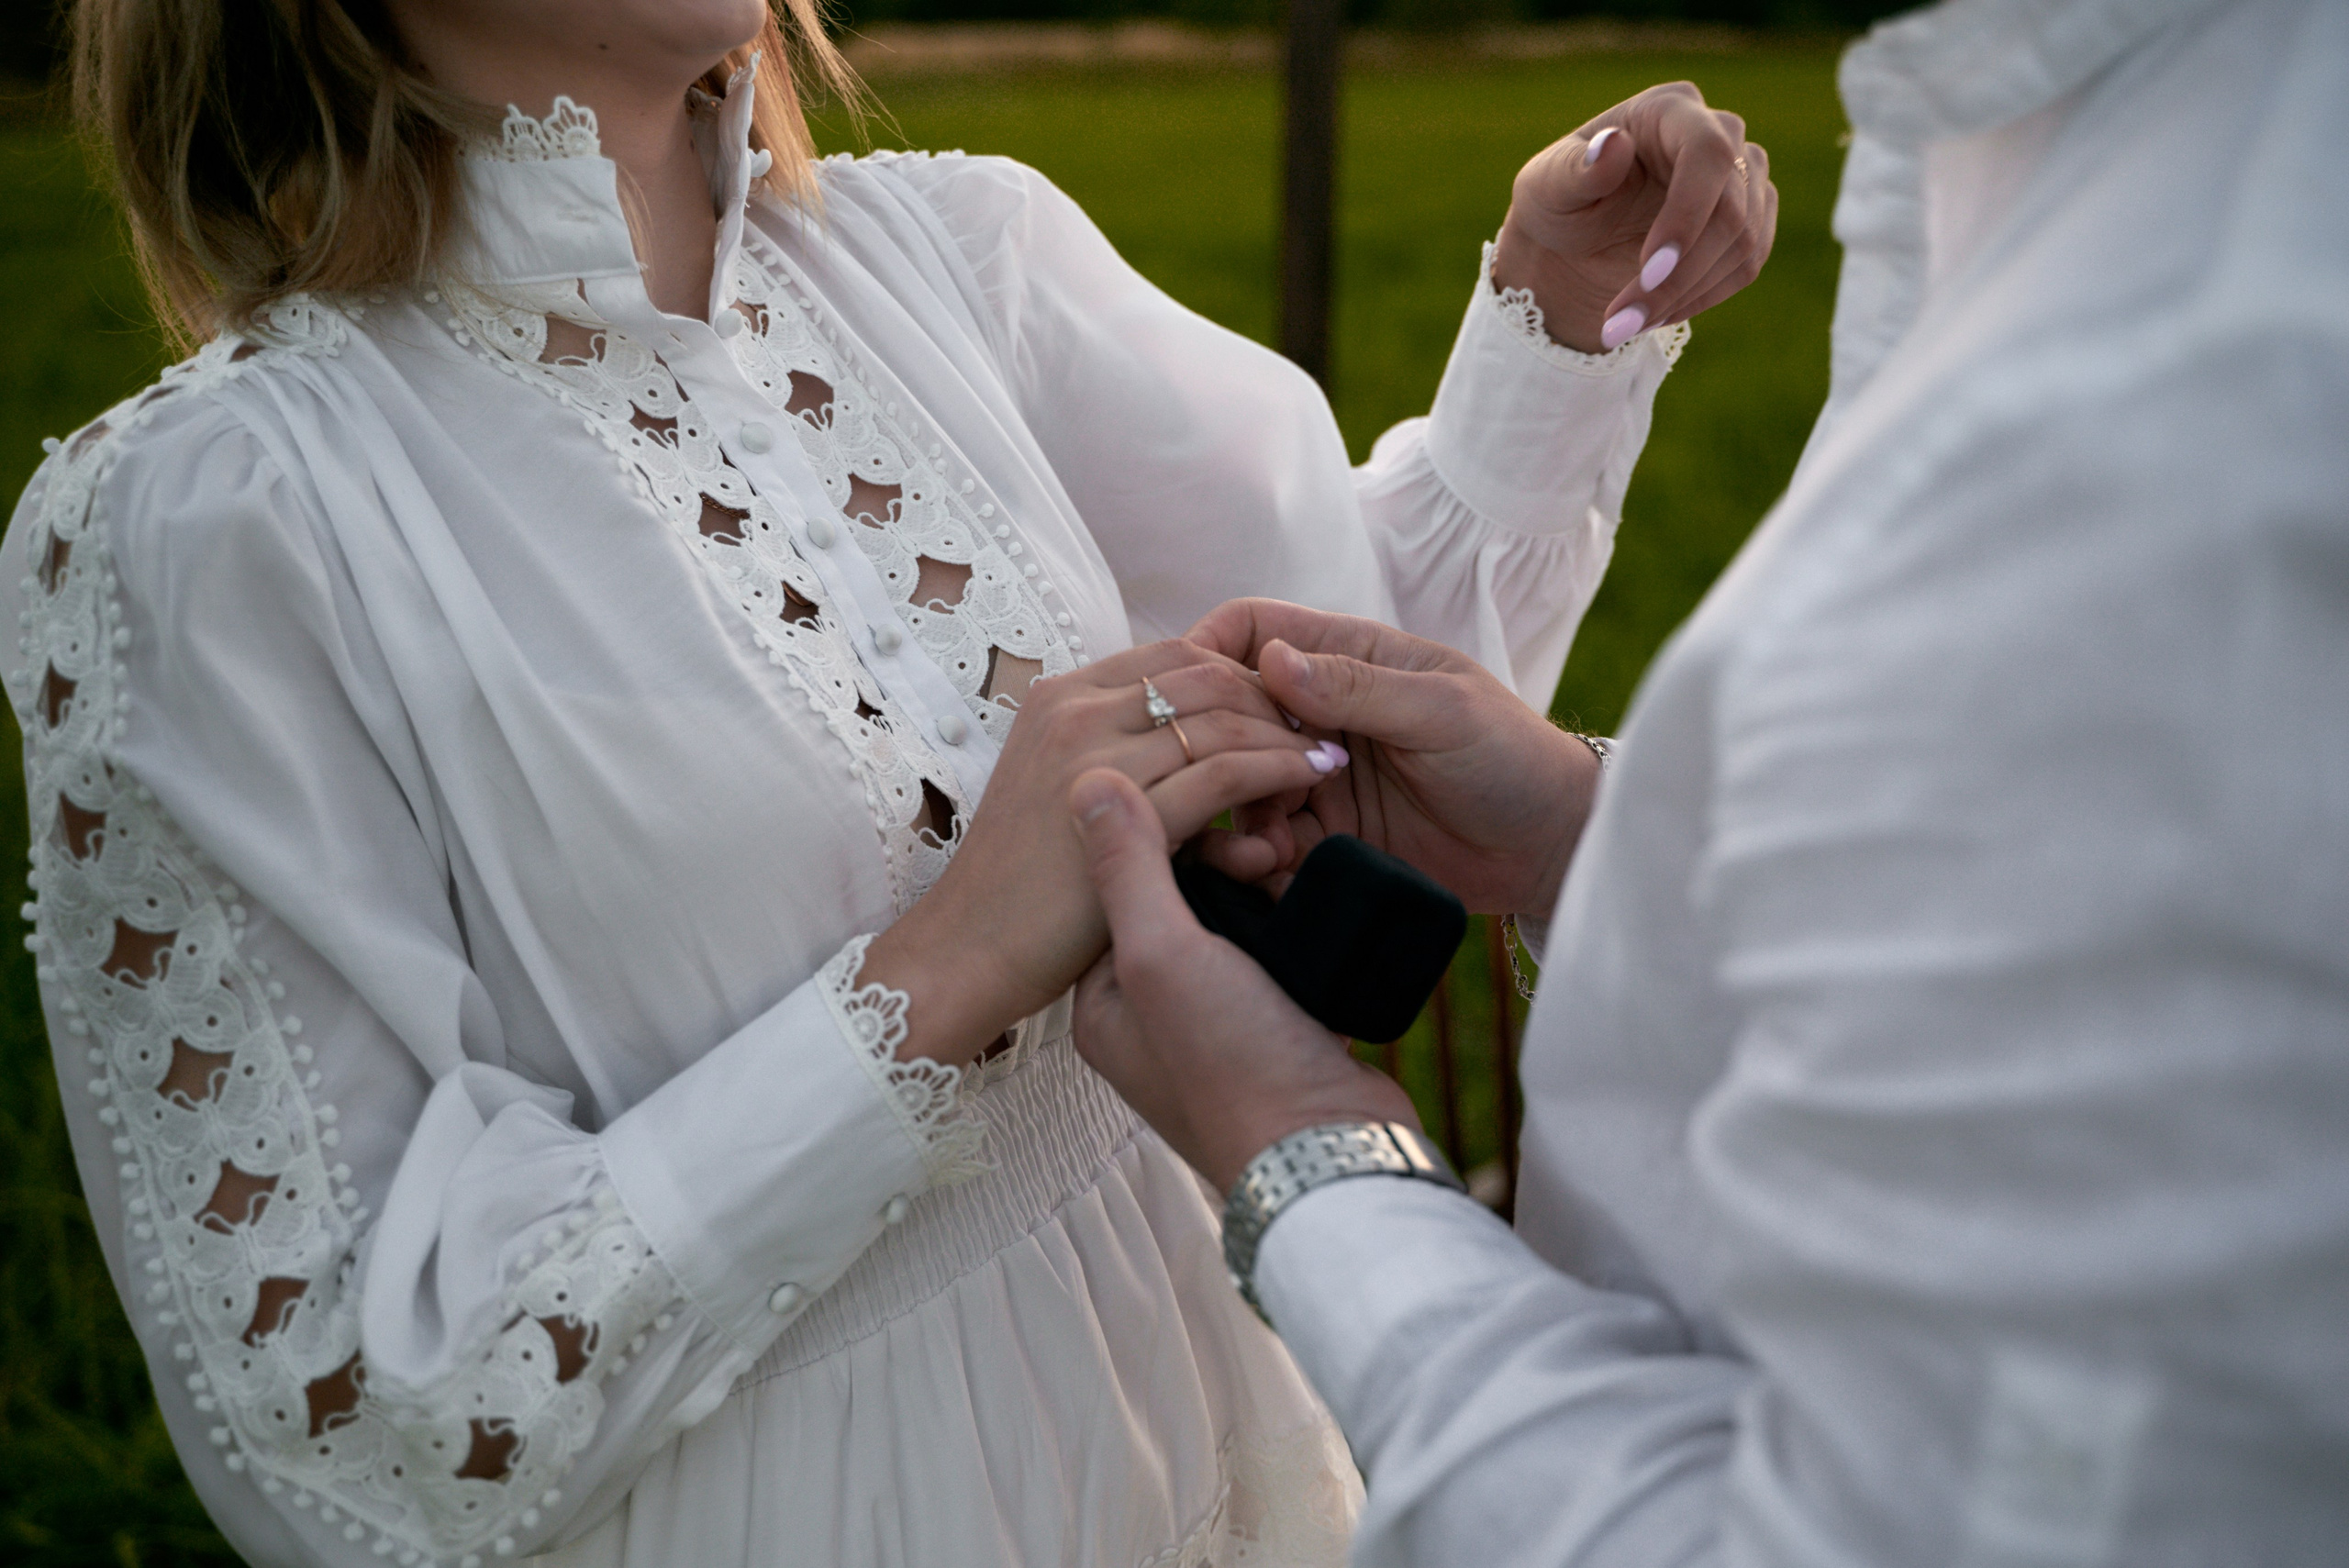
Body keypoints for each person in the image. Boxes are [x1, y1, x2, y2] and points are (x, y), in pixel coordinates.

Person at [9, 1, 1776, 1564]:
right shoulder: (207, 522)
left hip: (1243, 1445)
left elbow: (1358, 746)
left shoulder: (961, 250)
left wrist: (1556, 327)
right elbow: (347, 1423)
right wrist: (938, 972)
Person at [1065, 0, 2349, 1562]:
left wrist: (1314, 1155)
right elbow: (2037, 927)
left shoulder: (2236, 356)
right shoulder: (2072, 164)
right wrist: (1590, 841)